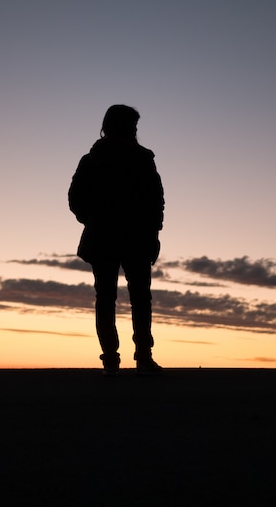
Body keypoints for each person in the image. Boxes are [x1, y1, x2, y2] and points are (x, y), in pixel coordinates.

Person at [68, 105, 165, 375]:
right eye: (132, 126)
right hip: (127, 237)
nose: (134, 130)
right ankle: (134, 358)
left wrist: (94, 220)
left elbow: (155, 200)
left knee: (112, 298)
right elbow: (156, 201)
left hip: (118, 237)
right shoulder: (134, 159)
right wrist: (96, 219)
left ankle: (118, 359)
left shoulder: (96, 159)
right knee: (134, 298)